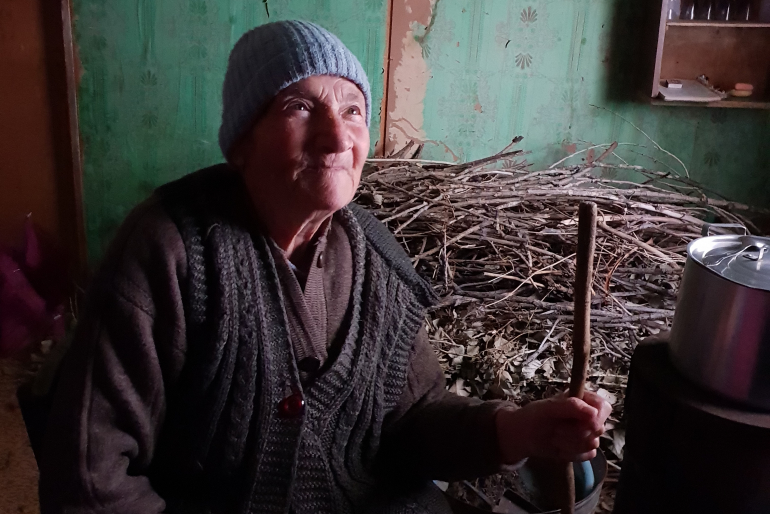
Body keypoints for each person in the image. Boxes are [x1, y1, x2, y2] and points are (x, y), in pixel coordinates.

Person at [38, 20, 611, 514]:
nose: (337, 136)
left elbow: (413, 421)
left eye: (353, 110)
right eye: (300, 107)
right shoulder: (174, 251)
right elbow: (90, 474)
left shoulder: (376, 260)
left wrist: (519, 428)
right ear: (242, 142)